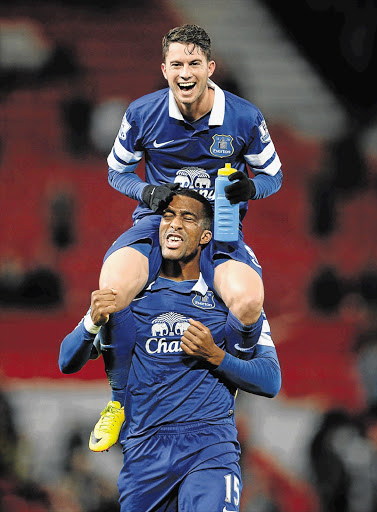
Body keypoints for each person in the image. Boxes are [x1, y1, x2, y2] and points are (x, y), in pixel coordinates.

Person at [93, 23, 283, 440]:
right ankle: (118, 401)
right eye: (176, 63)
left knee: (249, 300)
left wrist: (250, 187)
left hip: (220, 230)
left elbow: (274, 175)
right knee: (111, 291)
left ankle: (227, 386)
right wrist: (145, 190)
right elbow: (115, 171)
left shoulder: (244, 117)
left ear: (209, 67)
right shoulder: (142, 113)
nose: (185, 72)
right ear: (164, 69)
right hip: (157, 225)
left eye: (194, 63)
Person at [59, 190, 281, 511]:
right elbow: (67, 361)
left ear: (206, 236)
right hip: (144, 452)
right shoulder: (131, 296)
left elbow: (270, 381)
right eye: (168, 216)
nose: (174, 225)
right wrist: (91, 323)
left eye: (186, 218)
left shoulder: (231, 301)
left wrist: (215, 356)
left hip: (209, 446)